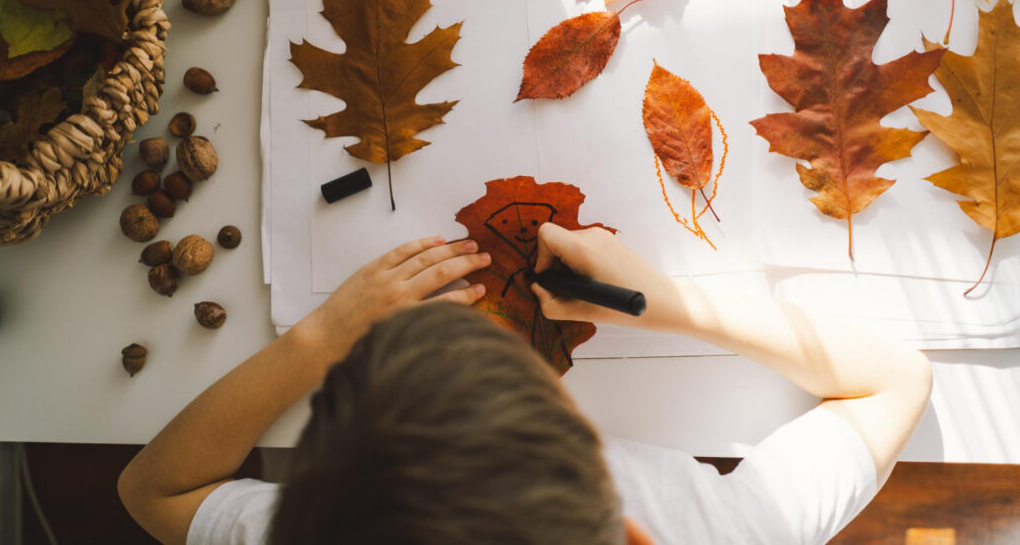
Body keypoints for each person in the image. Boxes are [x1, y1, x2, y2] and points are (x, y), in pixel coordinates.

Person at [118, 224, 932, 544]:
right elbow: (896, 380)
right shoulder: (725, 530)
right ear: (637, 536)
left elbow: (155, 491)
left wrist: (319, 338)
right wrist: (667, 303)